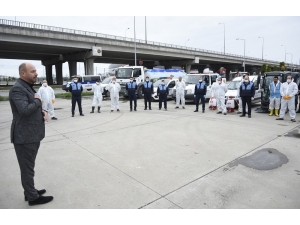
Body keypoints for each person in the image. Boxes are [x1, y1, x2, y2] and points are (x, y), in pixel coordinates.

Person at [9, 62, 53, 206]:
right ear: (23, 73)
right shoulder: (17, 89)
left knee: (29, 166)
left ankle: (30, 191)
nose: (36, 74)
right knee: (27, 167)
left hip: (30, 134)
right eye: (33, 71)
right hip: (24, 136)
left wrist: (41, 111)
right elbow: (24, 110)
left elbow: (28, 108)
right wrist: (38, 101)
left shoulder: (26, 86)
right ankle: (32, 198)